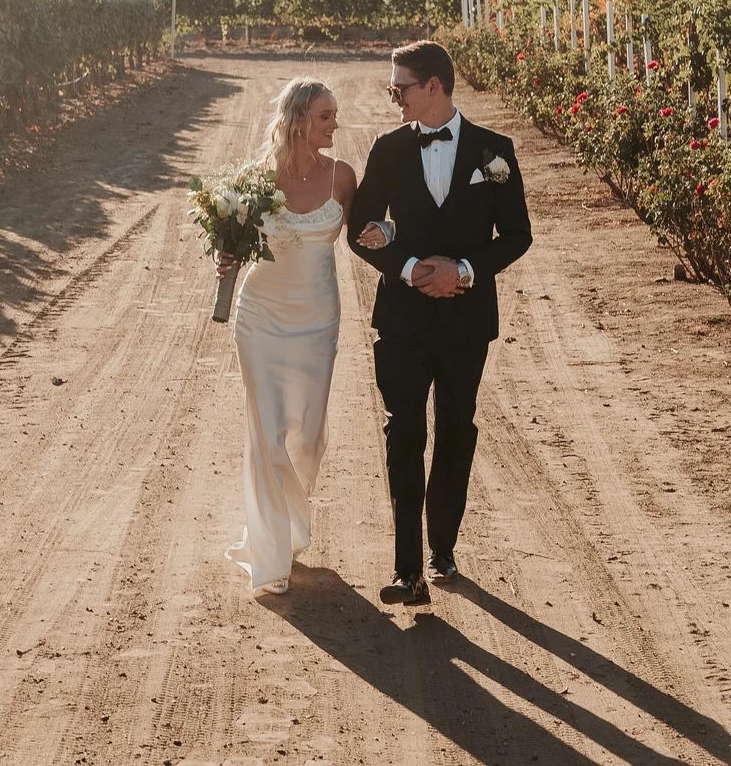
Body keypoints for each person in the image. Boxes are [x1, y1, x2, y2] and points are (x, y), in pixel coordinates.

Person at [348, 41, 532, 607]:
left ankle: (442, 548)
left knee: (455, 431)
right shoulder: (386, 149)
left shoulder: (493, 152)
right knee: (404, 433)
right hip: (402, 321)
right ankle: (407, 570)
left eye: (398, 87)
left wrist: (466, 272)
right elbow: (361, 224)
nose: (393, 97)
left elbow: (518, 234)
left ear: (433, 86)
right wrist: (405, 268)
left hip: (465, 322)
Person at [221, 76, 384, 596]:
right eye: (325, 117)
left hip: (318, 321)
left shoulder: (342, 176)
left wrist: (394, 236)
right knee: (264, 431)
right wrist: (225, 254)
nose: (335, 124)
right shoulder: (256, 178)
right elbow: (238, 246)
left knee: (306, 436)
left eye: (335, 115)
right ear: (297, 121)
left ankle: (286, 521)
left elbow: (368, 233)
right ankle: (269, 556)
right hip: (260, 316)